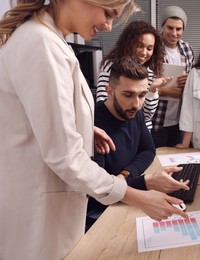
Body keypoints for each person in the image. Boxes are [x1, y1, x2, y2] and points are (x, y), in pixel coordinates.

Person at [0, 1, 188, 259]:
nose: (108, 25)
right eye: (108, 14)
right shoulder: (41, 44)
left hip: (54, 206)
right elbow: (65, 157)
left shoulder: (51, 41)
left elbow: (40, 121)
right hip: (39, 215)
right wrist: (137, 195)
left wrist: (84, 129)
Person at [87, 56, 189, 229]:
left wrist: (125, 175)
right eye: (128, 95)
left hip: (125, 197)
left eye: (142, 95)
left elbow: (148, 151)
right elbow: (99, 192)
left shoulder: (134, 111)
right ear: (109, 91)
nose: (137, 104)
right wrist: (146, 182)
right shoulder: (94, 124)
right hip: (100, 213)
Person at [95, 20, 172, 131]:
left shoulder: (149, 73)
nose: (144, 52)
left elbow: (147, 115)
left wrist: (152, 89)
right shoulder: (112, 67)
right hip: (115, 130)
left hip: (142, 133)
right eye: (139, 46)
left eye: (149, 48)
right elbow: (102, 105)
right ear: (129, 44)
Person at [151, 5, 194, 147]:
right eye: (170, 28)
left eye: (178, 29)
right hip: (157, 121)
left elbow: (193, 84)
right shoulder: (153, 49)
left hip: (179, 122)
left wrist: (189, 80)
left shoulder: (187, 49)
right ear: (163, 26)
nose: (174, 33)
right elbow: (143, 86)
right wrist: (166, 91)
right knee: (156, 163)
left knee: (177, 163)